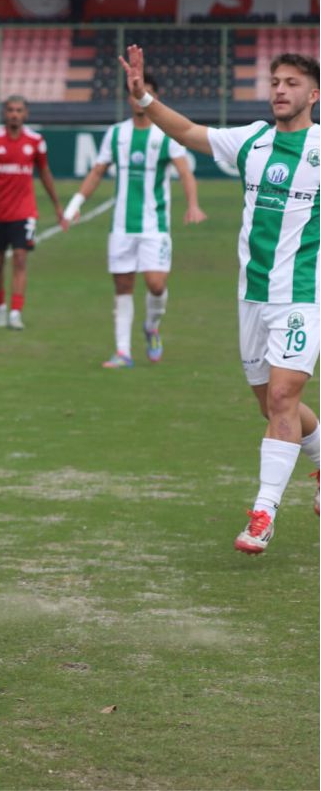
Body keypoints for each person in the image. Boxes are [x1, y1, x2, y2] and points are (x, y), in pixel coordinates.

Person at [120, 47, 320, 551]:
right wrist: (144, 95)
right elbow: (189, 133)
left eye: (292, 83)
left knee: (282, 398)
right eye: (276, 81)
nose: (280, 89)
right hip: (251, 296)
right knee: (272, 405)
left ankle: (263, 514)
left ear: (313, 94)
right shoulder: (252, 139)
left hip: (302, 295)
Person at [64, 73, 206, 368]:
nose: (140, 98)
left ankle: (152, 327)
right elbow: (97, 171)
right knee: (123, 287)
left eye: (148, 92)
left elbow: (185, 172)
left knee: (156, 285)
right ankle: (122, 352)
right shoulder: (116, 134)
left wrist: (193, 204)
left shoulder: (164, 135)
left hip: (155, 226)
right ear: (128, 98)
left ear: (155, 97)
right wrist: (76, 204)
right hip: (121, 227)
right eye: (134, 92)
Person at [0, 96, 67, 330]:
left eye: (19, 110)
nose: (14, 114)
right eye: (10, 110)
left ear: (26, 114)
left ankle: (15, 312)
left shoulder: (35, 141)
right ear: (5, 113)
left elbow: (45, 173)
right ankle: (0, 307)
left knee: (21, 259)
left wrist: (57, 206)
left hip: (24, 212)